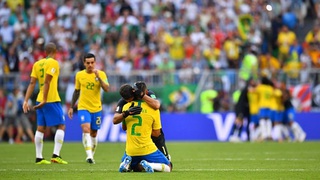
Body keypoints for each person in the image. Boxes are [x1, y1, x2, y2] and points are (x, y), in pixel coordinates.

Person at [22, 42, 67, 165]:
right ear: (55, 51)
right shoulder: (53, 63)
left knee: (40, 128)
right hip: (50, 99)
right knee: (61, 125)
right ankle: (56, 155)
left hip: (39, 98)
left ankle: (39, 157)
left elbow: (31, 83)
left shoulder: (37, 64)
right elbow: (47, 81)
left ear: (45, 52)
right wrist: (45, 99)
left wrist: (25, 100)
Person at [113, 84, 171, 173]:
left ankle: (126, 164)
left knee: (136, 167)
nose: (128, 101)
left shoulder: (126, 106)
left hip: (132, 148)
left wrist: (126, 114)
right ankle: (150, 164)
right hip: (147, 143)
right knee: (168, 166)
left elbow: (123, 127)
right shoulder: (152, 109)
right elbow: (156, 133)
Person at [67, 53, 109, 164]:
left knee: (94, 133)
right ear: (84, 63)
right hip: (83, 107)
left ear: (95, 63)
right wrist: (71, 107)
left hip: (96, 108)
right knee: (86, 129)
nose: (90, 65)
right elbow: (76, 91)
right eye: (88, 63)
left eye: (92, 62)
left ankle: (91, 156)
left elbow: (107, 89)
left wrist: (98, 78)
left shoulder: (101, 74)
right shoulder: (79, 75)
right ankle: (89, 156)